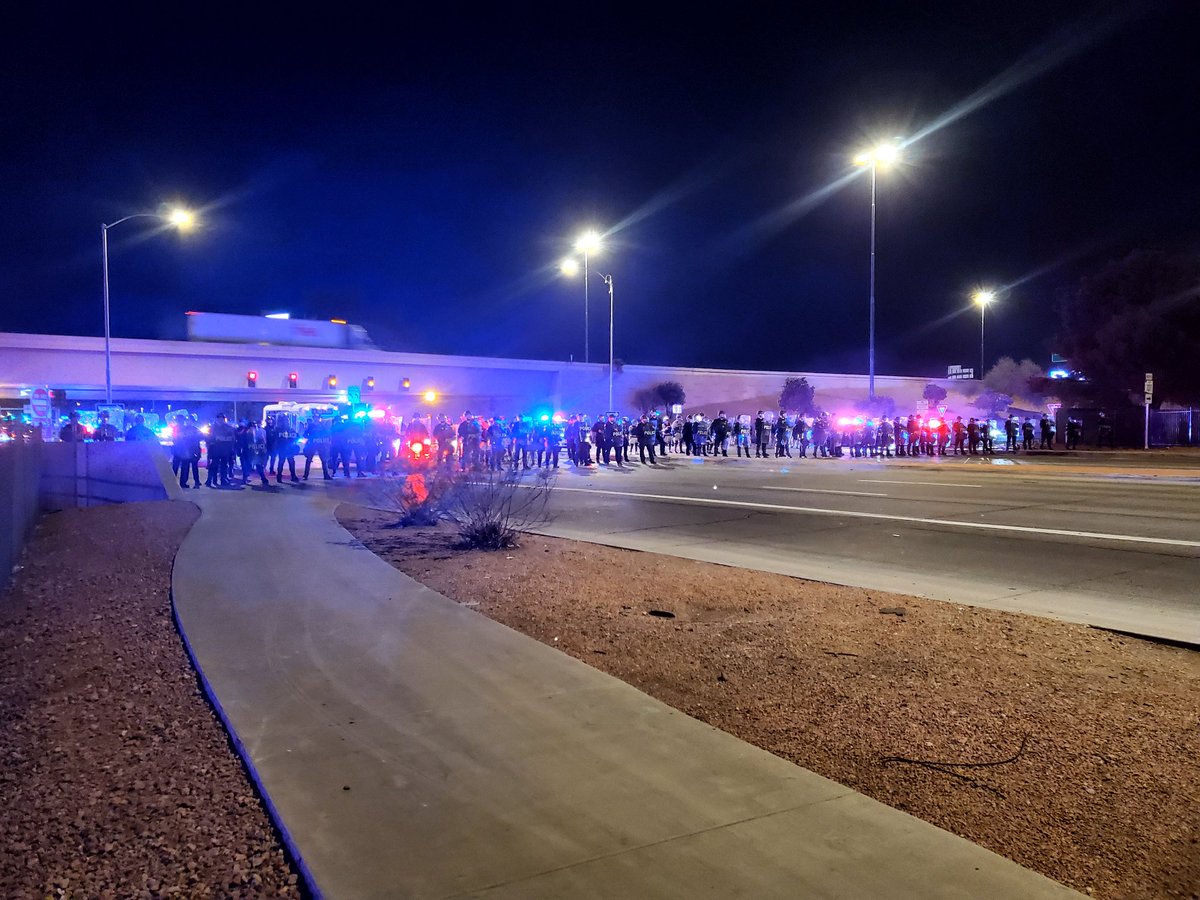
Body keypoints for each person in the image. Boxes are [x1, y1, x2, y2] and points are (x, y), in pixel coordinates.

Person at [174, 415, 202, 489]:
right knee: (183, 467)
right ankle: (180, 483)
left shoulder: (194, 429)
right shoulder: (183, 429)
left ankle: (188, 482)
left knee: (189, 467)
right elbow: (176, 439)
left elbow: (200, 438)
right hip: (183, 450)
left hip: (191, 450)